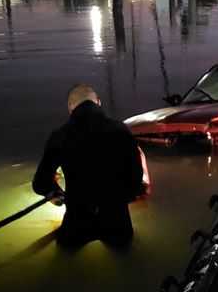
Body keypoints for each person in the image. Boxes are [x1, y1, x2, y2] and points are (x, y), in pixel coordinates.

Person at [32, 84, 144, 247]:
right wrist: (123, 198)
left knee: (65, 259)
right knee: (124, 256)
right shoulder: (121, 130)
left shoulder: (60, 136)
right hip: (115, 217)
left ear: (70, 107)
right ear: (98, 102)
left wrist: (57, 194)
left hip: (78, 217)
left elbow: (40, 184)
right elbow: (136, 177)